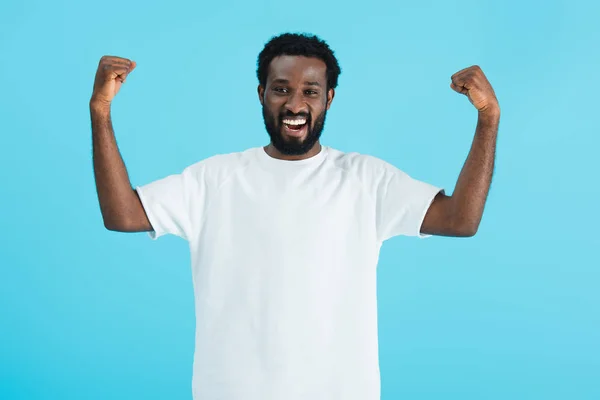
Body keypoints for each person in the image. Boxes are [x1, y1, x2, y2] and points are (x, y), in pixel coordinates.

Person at [90, 33, 500, 400]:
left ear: (329, 98)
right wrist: (101, 111)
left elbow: (459, 220)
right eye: (281, 89)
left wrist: (488, 118)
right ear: (261, 93)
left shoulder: (366, 180)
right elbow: (122, 214)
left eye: (310, 91)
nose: (295, 104)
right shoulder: (213, 179)